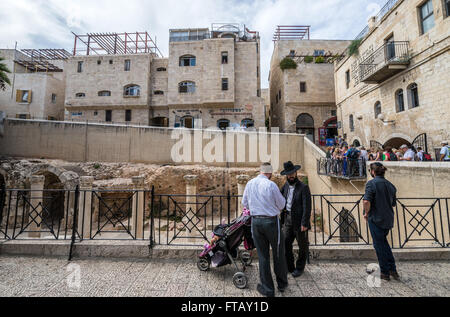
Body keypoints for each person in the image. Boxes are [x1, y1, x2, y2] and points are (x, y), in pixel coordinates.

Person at [242, 163, 288, 297]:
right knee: (278, 252)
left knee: (263, 256)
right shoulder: (271, 185)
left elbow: (244, 203)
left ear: (260, 171)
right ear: (270, 173)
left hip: (256, 222)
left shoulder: (250, 183)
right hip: (271, 222)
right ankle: (282, 284)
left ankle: (268, 289)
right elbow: (281, 204)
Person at [363, 163, 400, 281]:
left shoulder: (371, 184)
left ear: (373, 172)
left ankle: (384, 272)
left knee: (379, 245)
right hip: (388, 219)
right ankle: (392, 269)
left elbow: (366, 201)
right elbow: (393, 203)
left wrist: (366, 213)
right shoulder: (391, 185)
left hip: (376, 218)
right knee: (384, 243)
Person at [280, 161, 312, 278]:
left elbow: (307, 207)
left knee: (302, 246)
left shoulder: (304, 187)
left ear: (296, 172)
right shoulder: (285, 186)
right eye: (288, 174)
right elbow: (278, 198)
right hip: (287, 219)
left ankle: (299, 268)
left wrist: (305, 223)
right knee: (286, 244)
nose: (291, 176)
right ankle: (290, 267)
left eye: (292, 173)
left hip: (300, 222)